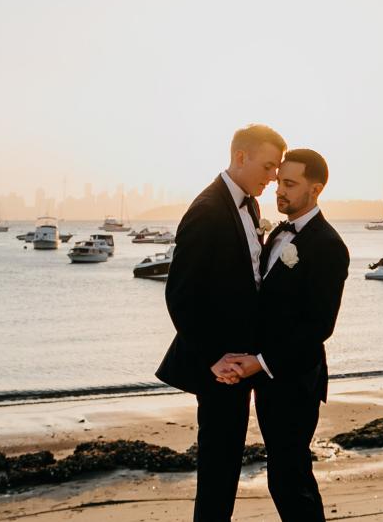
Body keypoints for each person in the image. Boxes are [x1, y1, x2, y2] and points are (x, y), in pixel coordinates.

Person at [156, 123, 287, 522]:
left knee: (227, 462)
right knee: (217, 466)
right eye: (268, 166)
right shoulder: (207, 210)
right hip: (220, 366)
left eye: (277, 169)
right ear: (240, 157)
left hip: (243, 359)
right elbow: (180, 295)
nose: (272, 177)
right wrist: (213, 358)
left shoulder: (251, 206)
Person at [227, 148, 349, 522]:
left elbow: (318, 327)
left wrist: (261, 363)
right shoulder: (279, 231)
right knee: (284, 474)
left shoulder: (328, 246)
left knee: (290, 477)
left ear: (316, 189)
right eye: (279, 181)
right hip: (269, 378)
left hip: (295, 380)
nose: (280, 190)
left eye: (291, 184)